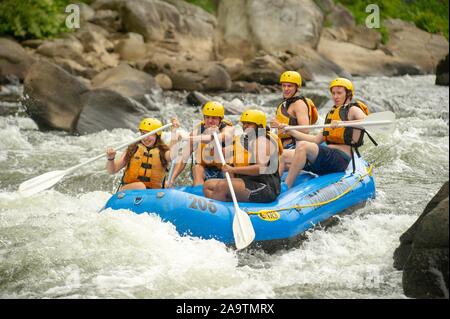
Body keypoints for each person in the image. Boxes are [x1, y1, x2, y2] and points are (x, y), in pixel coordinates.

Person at [279, 77, 376, 188]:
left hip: (341, 159)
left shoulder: (353, 109)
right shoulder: (332, 113)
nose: (335, 96)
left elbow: (369, 121)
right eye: (333, 93)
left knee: (302, 145)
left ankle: (286, 186)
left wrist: (342, 123)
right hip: (327, 155)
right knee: (282, 154)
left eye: (339, 93)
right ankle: (272, 187)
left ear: (348, 94)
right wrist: (290, 130)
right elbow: (316, 140)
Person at [203, 109, 283, 203]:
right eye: (244, 123)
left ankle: (218, 212)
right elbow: (220, 154)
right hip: (249, 181)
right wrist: (214, 140)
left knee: (223, 185)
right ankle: (225, 204)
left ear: (259, 125)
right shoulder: (245, 140)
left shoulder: (262, 141)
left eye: (249, 124)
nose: (245, 127)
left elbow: (260, 168)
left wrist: (233, 170)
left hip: (265, 187)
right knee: (208, 185)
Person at [166, 101, 234, 187]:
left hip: (224, 171)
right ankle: (199, 194)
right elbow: (183, 158)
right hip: (204, 171)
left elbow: (217, 137)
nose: (210, 121)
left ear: (220, 119)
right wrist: (171, 179)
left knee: (228, 164)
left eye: (214, 118)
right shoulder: (197, 131)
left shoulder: (228, 129)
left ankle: (229, 192)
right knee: (197, 168)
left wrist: (188, 138)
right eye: (207, 117)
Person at [106, 117, 178, 190]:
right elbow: (112, 170)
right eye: (143, 134)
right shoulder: (133, 149)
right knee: (141, 186)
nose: (145, 138)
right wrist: (111, 158)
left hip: (151, 193)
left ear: (157, 135)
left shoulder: (162, 151)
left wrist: (174, 131)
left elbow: (172, 155)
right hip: (127, 192)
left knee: (167, 185)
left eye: (150, 134)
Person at [270, 70, 319, 175]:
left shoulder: (299, 104)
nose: (286, 89)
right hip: (283, 146)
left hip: (294, 147)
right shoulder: (285, 103)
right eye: (284, 86)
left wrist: (286, 127)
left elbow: (305, 129)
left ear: (297, 87)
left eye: (290, 86)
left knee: (269, 161)